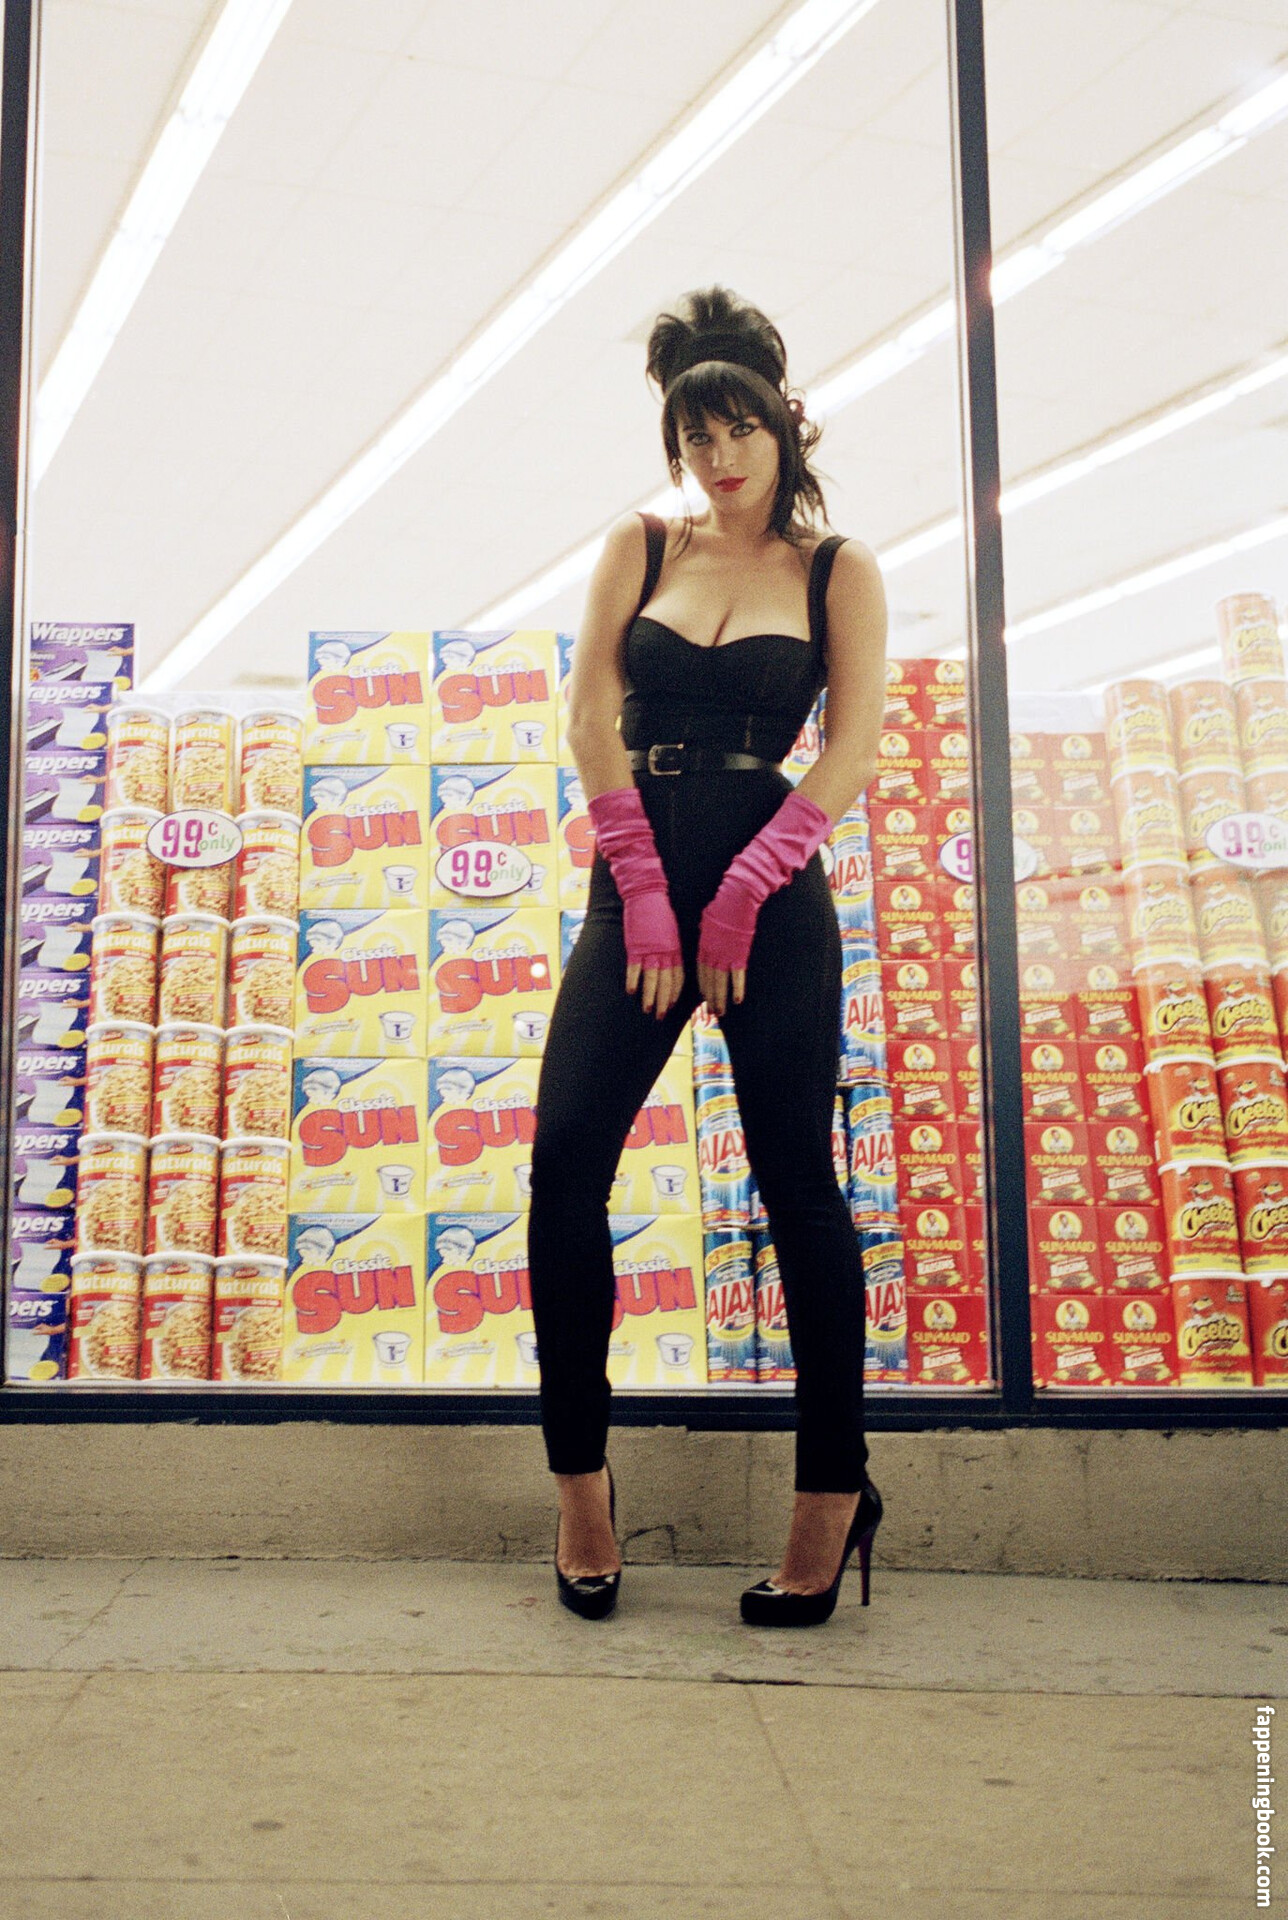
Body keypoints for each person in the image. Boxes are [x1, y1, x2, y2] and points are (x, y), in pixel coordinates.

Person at [527, 286, 889, 1627]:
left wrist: (744, 888)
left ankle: (831, 1500)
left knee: (799, 1187)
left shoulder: (838, 569)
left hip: (768, 898)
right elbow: (588, 715)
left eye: (739, 430)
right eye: (695, 436)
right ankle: (581, 1490)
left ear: (784, 429)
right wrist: (643, 884)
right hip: (636, 887)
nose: (719, 457)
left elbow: (852, 747)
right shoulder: (641, 543)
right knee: (565, 1162)